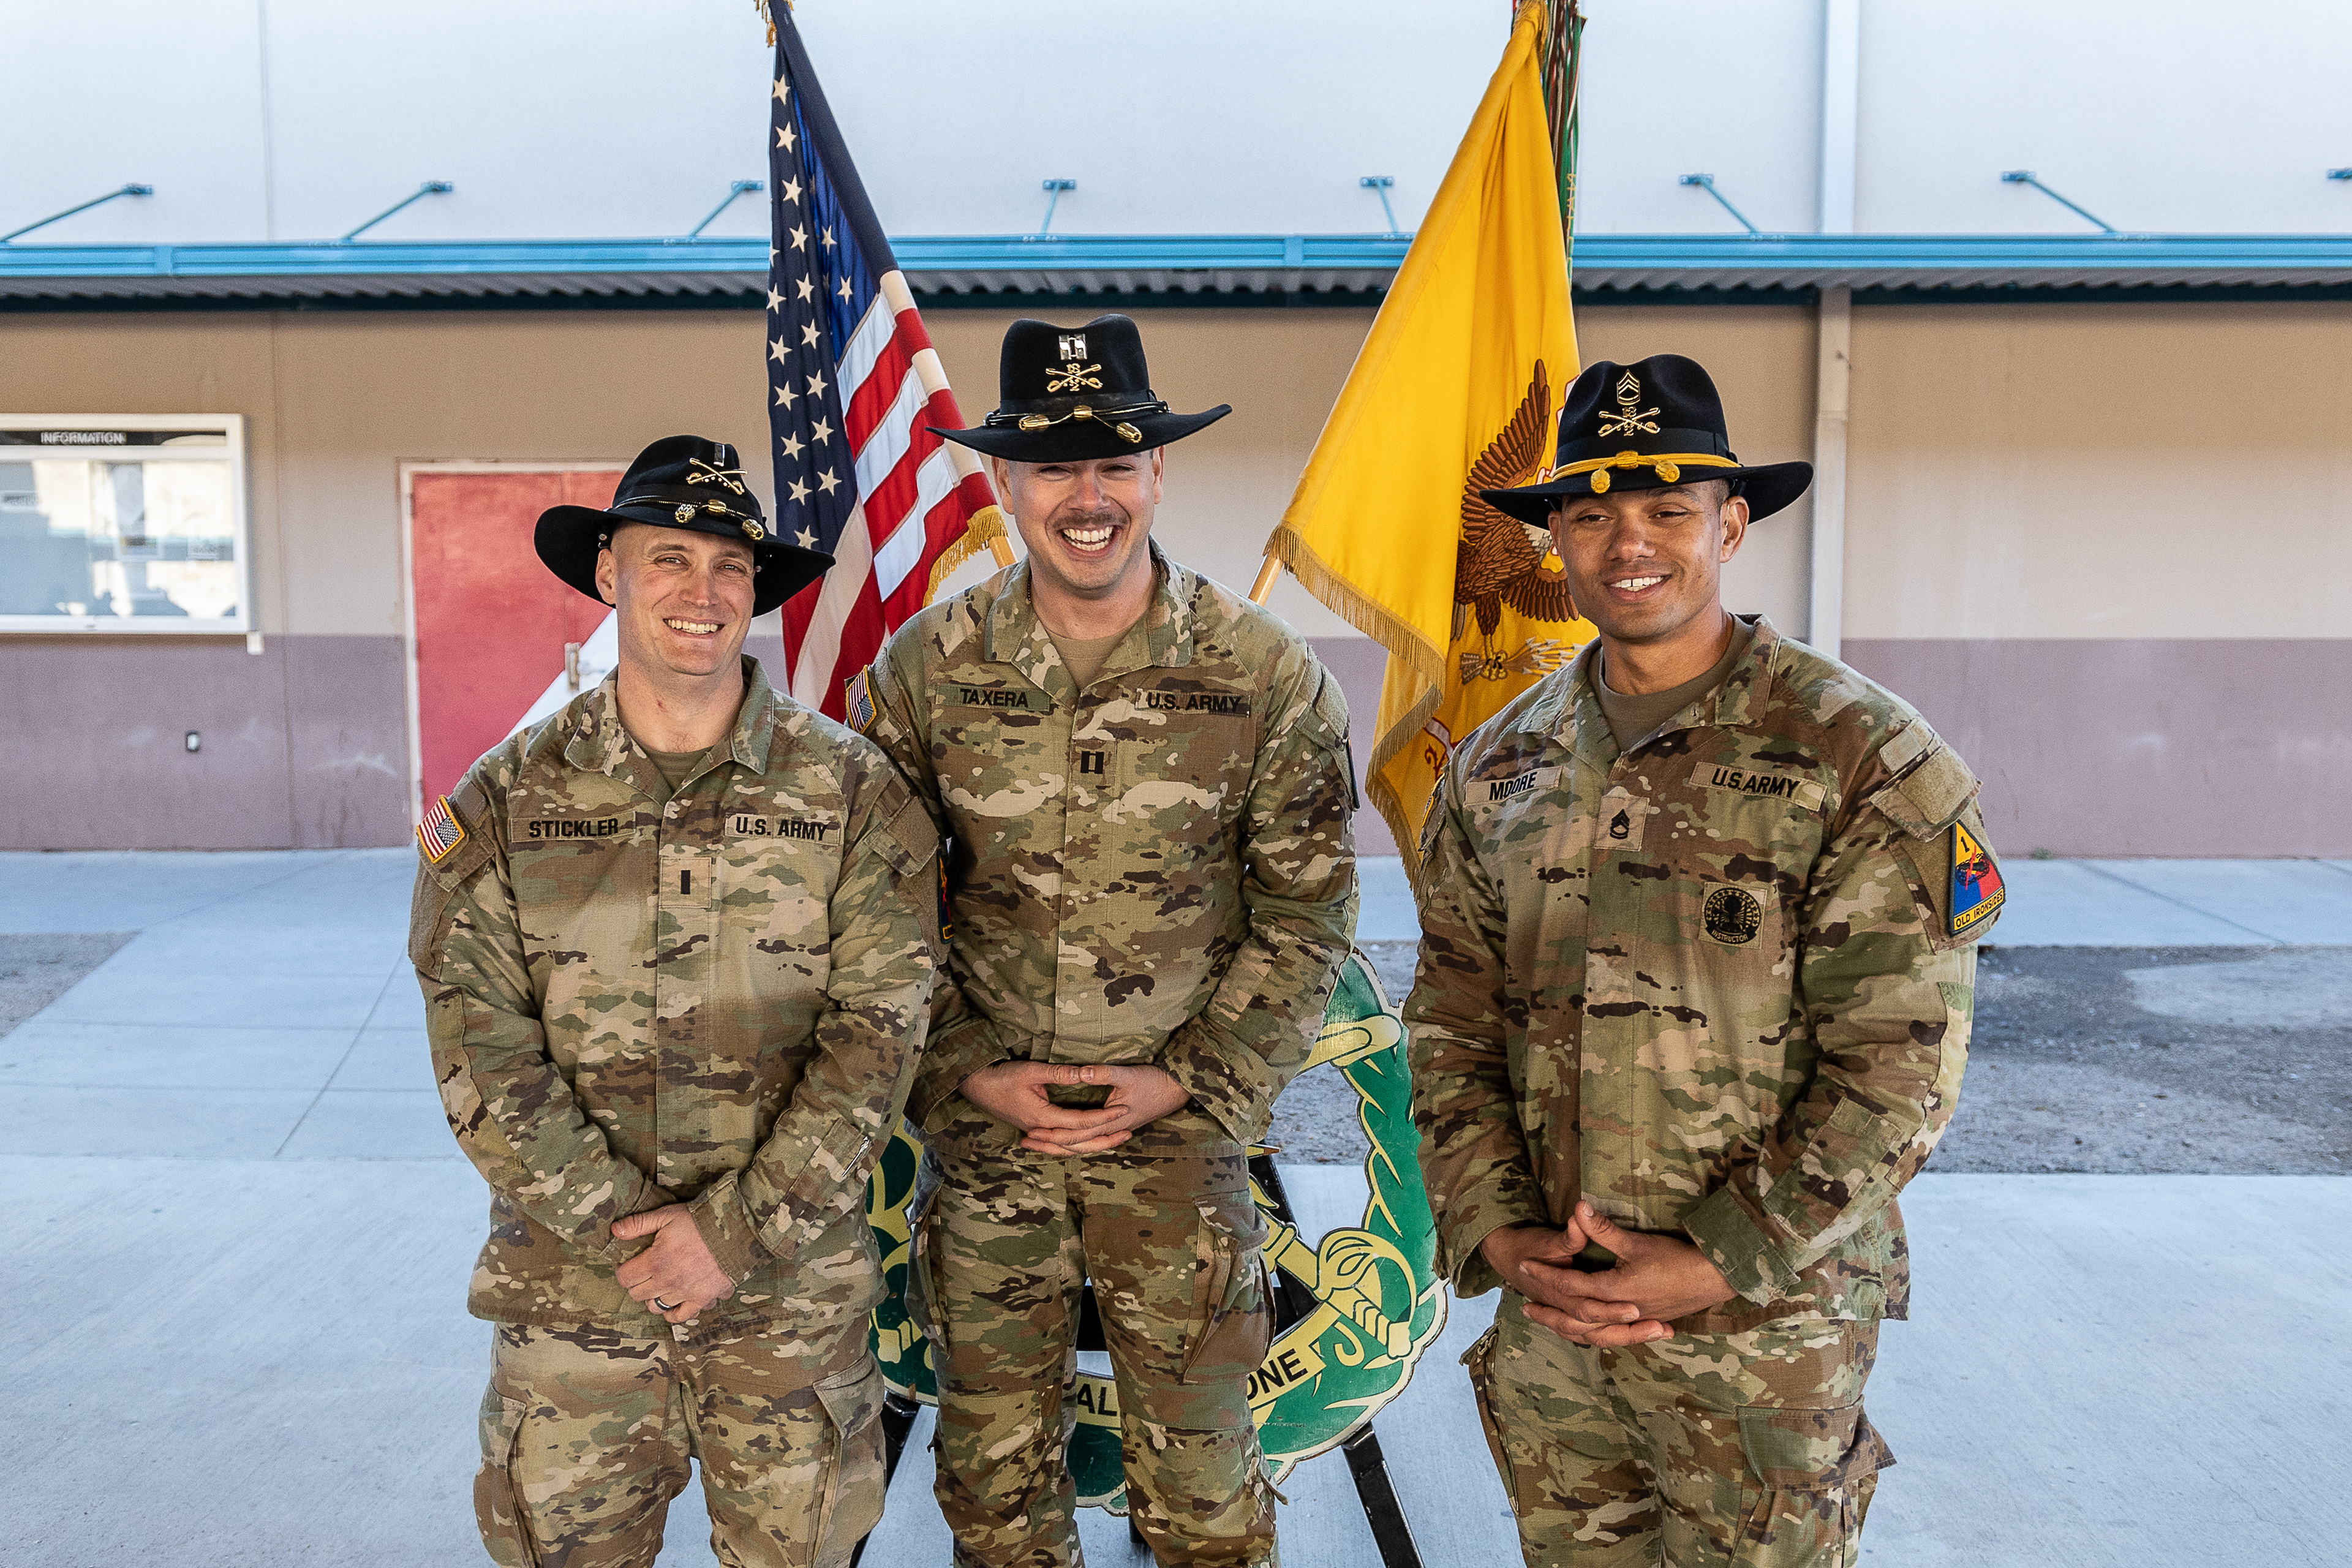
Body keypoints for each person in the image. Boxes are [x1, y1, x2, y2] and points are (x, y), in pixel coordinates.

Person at [1406, 355, 2006, 1567]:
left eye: (1669, 510)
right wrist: (1504, 1234)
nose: (1629, 544)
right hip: (1558, 1325)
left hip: (1764, 1331)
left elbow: (1900, 1070)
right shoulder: (1497, 766)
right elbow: (1452, 1026)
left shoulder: (1860, 753)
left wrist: (1714, 1259)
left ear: (1730, 526)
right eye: (1592, 515)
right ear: (1556, 539)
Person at [849, 315, 1359, 1567]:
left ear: (1157, 473)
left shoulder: (1260, 673)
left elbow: (1307, 913)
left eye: (1115, 462)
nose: (1088, 497)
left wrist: (1189, 1079)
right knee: (993, 1495)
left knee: (1207, 1499)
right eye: (1054, 467)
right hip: (990, 1144)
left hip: (1181, 1147)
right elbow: (869, 912)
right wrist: (966, 1069)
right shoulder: (926, 670)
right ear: (1004, 481)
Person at [407, 435, 941, 1568]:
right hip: (575, 1317)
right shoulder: (506, 801)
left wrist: (730, 1237)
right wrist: (636, 1236)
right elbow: (478, 1050)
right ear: (607, 572)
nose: (703, 592)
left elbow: (881, 1038)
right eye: (670, 559)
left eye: (730, 566)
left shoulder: (853, 794)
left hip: (789, 1310)